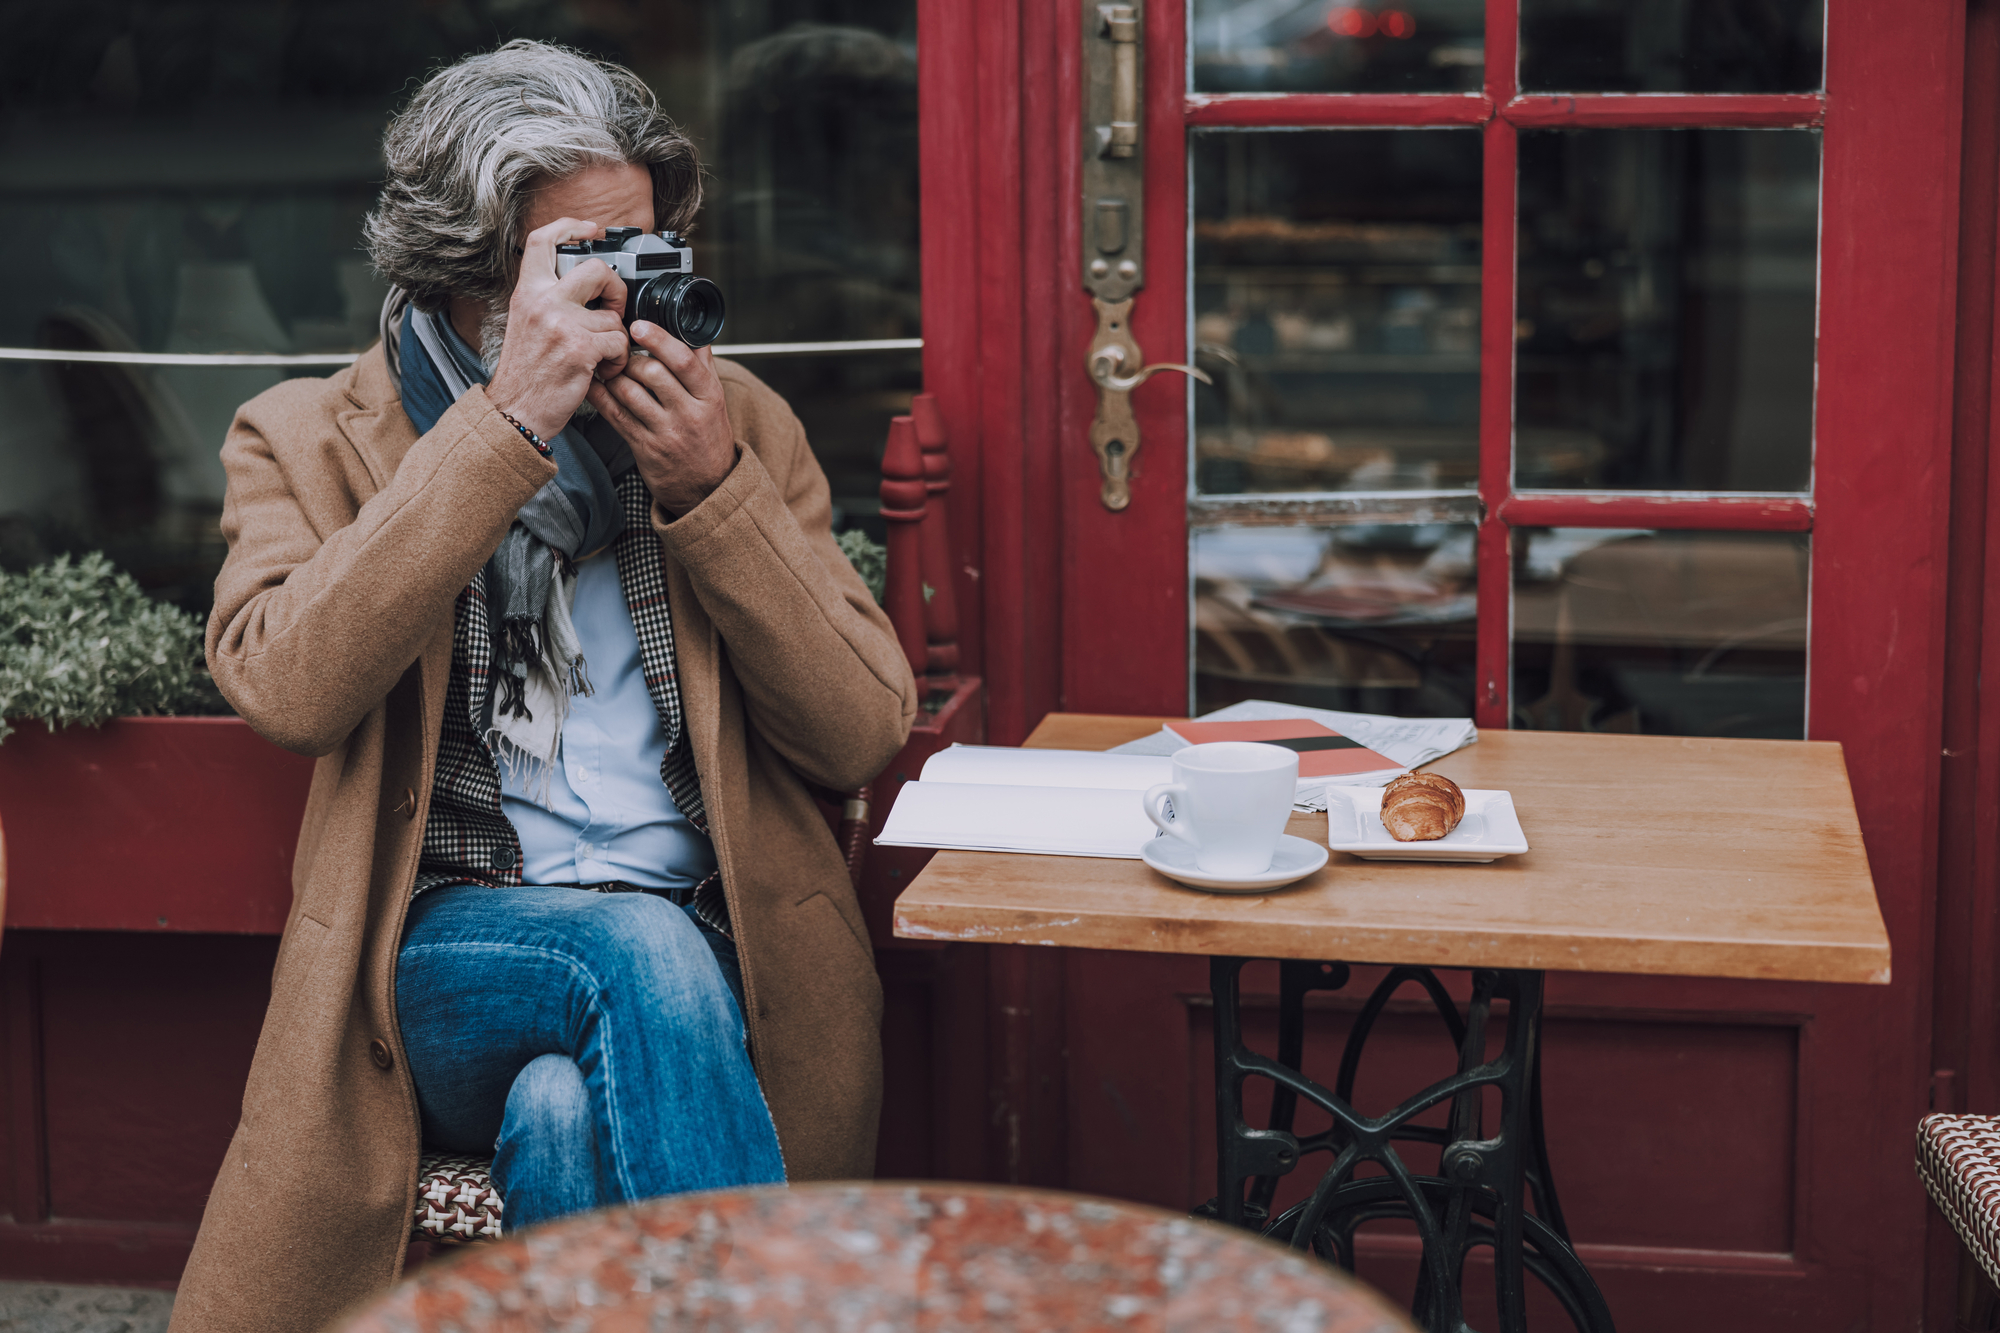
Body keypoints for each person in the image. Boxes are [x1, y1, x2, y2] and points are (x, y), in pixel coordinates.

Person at [169, 41, 915, 1333]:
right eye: (588, 255)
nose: (633, 290)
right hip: (454, 959)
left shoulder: (731, 421)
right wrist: (502, 431)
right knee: (628, 947)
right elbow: (288, 689)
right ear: (466, 273)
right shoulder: (303, 435)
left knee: (564, 1113)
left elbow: (861, 728)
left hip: (718, 953)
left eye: (649, 246)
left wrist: (711, 487)